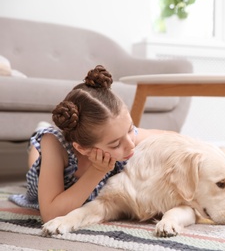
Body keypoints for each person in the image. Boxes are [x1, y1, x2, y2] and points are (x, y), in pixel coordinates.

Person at [9, 65, 169, 223]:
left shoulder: (126, 139)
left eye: (130, 129)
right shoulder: (55, 144)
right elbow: (50, 215)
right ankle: (40, 132)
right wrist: (98, 170)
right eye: (115, 144)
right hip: (51, 156)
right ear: (82, 148)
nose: (130, 145)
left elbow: (170, 138)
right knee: (38, 160)